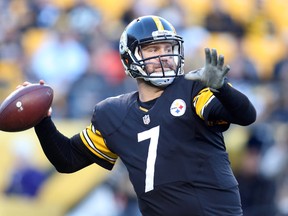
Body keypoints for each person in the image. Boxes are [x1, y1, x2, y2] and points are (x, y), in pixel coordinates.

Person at [27, 15, 256, 216]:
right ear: (129, 59)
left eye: (168, 49)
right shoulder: (114, 113)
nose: (163, 56)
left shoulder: (193, 91)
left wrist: (222, 89)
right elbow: (67, 159)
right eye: (153, 49)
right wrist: (42, 121)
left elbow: (246, 115)